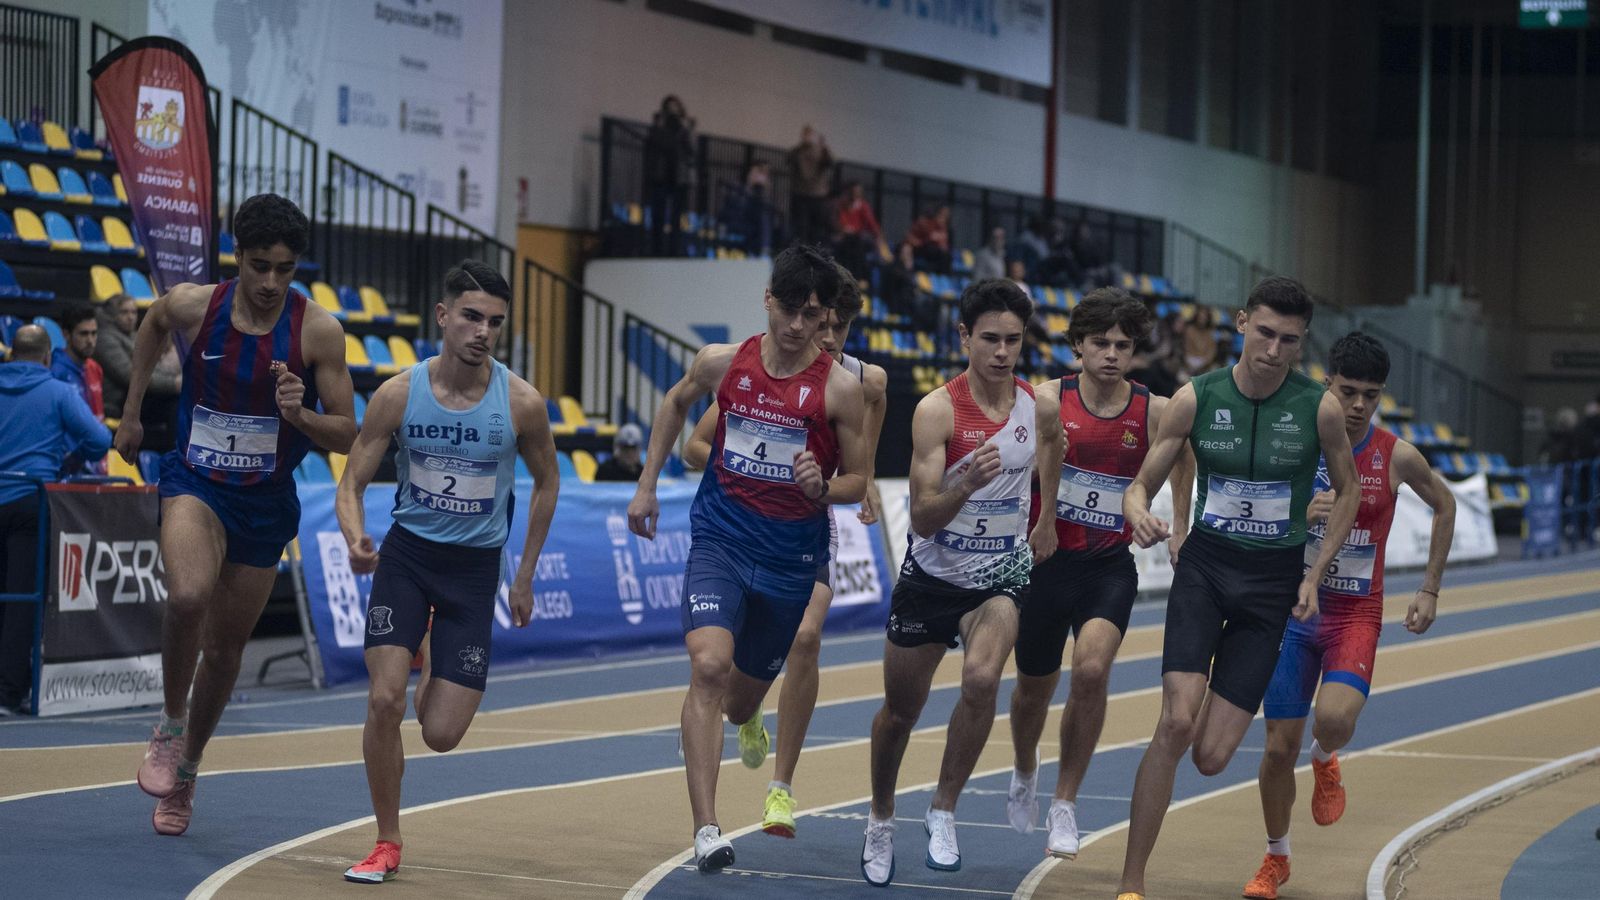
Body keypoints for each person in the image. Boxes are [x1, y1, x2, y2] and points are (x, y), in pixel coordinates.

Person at [115, 193, 358, 836]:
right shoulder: (199, 306)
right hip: (196, 479)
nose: (272, 282)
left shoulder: (318, 331)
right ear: (237, 258)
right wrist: (133, 410)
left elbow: (348, 434)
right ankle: (170, 724)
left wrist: (299, 414)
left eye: (285, 269)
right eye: (259, 266)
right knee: (189, 592)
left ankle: (187, 774)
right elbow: (152, 322)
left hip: (265, 500)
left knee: (224, 653)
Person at [1115, 276, 1359, 900]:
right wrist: (1140, 509)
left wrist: (1314, 572)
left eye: (1290, 341)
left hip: (1272, 587)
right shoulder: (1195, 398)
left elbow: (1350, 492)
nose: (1274, 351)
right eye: (1265, 333)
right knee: (1174, 723)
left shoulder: (1320, 407)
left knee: (1211, 757)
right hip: (1206, 569)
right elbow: (1139, 483)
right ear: (1243, 321)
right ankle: (1131, 884)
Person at [627, 245, 867, 874]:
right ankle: (707, 828)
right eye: (788, 308)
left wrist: (823, 487)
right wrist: (646, 484)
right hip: (721, 541)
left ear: (825, 319)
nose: (796, 324)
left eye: (811, 314)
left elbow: (861, 481)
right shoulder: (722, 363)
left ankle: (749, 710)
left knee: (736, 702)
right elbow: (675, 405)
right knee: (708, 666)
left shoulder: (840, 391)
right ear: (768, 300)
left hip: (790, 562)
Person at [336, 261, 559, 884]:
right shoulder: (398, 394)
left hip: (472, 573)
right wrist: (356, 537)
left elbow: (548, 483)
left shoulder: (520, 403)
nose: (482, 331)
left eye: (494, 322)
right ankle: (386, 840)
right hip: (407, 559)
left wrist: (525, 574)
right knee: (384, 699)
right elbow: (351, 482)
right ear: (443, 315)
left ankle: (433, 643)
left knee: (439, 734)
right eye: (471, 316)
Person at [1243, 332, 1456, 900]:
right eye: (1348, 391)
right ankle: (1276, 857)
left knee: (1332, 720)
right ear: (1326, 383)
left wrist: (1429, 588)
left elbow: (1445, 503)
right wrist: (1296, 510)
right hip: (1293, 613)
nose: (1359, 405)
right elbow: (1249, 501)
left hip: (1355, 614)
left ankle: (1327, 757)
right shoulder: (1297, 441)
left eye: (1371, 395)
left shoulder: (1396, 454)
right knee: (1274, 749)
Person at [682, 262, 888, 841]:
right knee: (720, 669)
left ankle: (781, 787)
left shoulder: (862, 384)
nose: (823, 338)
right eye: (817, 324)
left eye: (835, 328)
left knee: (806, 637)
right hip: (741, 524)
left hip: (807, 530)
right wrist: (748, 462)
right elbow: (698, 443)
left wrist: (857, 490)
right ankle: (745, 714)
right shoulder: (761, 368)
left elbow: (860, 465)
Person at [860, 278, 1054, 886]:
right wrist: (965, 483)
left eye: (1014, 341)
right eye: (990, 339)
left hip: (999, 577)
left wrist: (1044, 522)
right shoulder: (937, 411)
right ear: (964, 336)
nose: (1002, 352)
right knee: (900, 711)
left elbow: (1056, 451)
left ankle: (943, 809)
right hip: (932, 579)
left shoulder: (1036, 407)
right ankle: (882, 816)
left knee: (981, 678)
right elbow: (920, 516)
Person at [1004, 289, 1193, 857]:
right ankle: (1023, 766)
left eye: (1123, 345)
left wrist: (1179, 522)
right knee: (1033, 689)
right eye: (1101, 343)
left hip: (1108, 567)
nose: (1112, 354)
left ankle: (1065, 802)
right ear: (1078, 346)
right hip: (1045, 561)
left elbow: (1186, 454)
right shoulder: (1044, 400)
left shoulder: (1154, 410)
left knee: (1090, 670)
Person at [0, 326, 112, 715]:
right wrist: (70, 460)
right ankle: (9, 693)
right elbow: (99, 439)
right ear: (48, 357)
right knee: (22, 601)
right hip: (31, 501)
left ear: (12, 354)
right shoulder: (59, 392)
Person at [97, 293, 182, 451]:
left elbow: (153, 368)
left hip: (138, 397)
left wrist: (175, 381)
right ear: (112, 315)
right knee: (174, 404)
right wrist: (174, 384)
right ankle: (176, 453)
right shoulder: (105, 338)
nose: (130, 317)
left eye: (134, 312)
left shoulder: (133, 336)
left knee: (180, 399)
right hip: (119, 402)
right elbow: (128, 375)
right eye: (124, 312)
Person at [643, 95, 695, 256]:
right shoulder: (658, 126)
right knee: (658, 217)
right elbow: (658, 144)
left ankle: (674, 251)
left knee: (676, 219)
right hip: (661, 177)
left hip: (678, 179)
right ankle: (657, 250)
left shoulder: (684, 129)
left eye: (676, 106)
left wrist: (688, 129)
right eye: (670, 106)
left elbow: (692, 151)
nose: (673, 110)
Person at [51, 304, 104, 419]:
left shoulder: (95, 368)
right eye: (83, 334)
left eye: (94, 333)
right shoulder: (54, 372)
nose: (90, 341)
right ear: (66, 334)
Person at [786, 126, 835, 245]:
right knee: (800, 226)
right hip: (800, 193)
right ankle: (799, 250)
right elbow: (788, 159)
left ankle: (813, 251)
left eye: (810, 134)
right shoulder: (797, 151)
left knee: (816, 226)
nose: (807, 137)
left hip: (818, 194)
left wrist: (824, 148)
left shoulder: (821, 152)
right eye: (805, 134)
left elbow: (830, 162)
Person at [905, 205, 952, 273]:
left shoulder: (943, 226)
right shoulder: (924, 222)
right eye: (942, 214)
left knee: (945, 255)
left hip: (930, 249)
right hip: (919, 248)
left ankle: (943, 276)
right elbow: (928, 237)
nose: (944, 217)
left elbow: (943, 244)